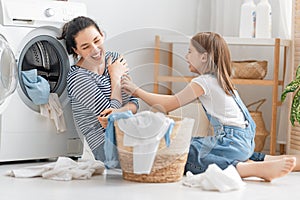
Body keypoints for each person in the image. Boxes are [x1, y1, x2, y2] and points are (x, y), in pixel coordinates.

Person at [121, 31, 297, 181]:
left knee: (182, 153)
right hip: (245, 142)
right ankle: (269, 159)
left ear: (203, 57)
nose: (186, 56)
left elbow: (168, 105)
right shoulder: (222, 80)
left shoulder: (203, 82)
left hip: (231, 142)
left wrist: (137, 91)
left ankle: (247, 170)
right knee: (197, 142)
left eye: (190, 52)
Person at [57, 16, 139, 163]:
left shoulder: (114, 59)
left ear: (102, 34)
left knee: (178, 144)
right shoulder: (78, 78)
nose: (95, 50)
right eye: (85, 47)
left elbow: (134, 102)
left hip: (129, 134)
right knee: (174, 154)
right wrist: (115, 77)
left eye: (96, 41)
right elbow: (109, 118)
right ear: (76, 50)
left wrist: (120, 110)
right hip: (106, 146)